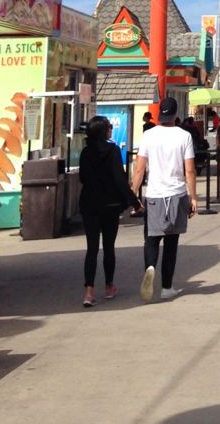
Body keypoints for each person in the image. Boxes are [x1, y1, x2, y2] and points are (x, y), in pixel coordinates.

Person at [131, 97, 197, 302]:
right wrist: (193, 197)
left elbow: (140, 168)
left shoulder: (149, 135)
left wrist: (133, 195)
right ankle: (167, 286)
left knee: (151, 239)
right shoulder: (184, 136)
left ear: (160, 113)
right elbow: (190, 170)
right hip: (177, 194)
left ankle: (150, 267)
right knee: (171, 242)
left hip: (154, 194)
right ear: (176, 114)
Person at [78, 115, 141, 306]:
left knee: (91, 249)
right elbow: (119, 180)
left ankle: (88, 292)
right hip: (110, 205)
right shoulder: (112, 151)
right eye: (109, 127)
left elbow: (82, 177)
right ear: (103, 130)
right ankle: (108, 286)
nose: (111, 130)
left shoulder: (86, 152)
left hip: (89, 204)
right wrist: (134, 202)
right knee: (108, 247)